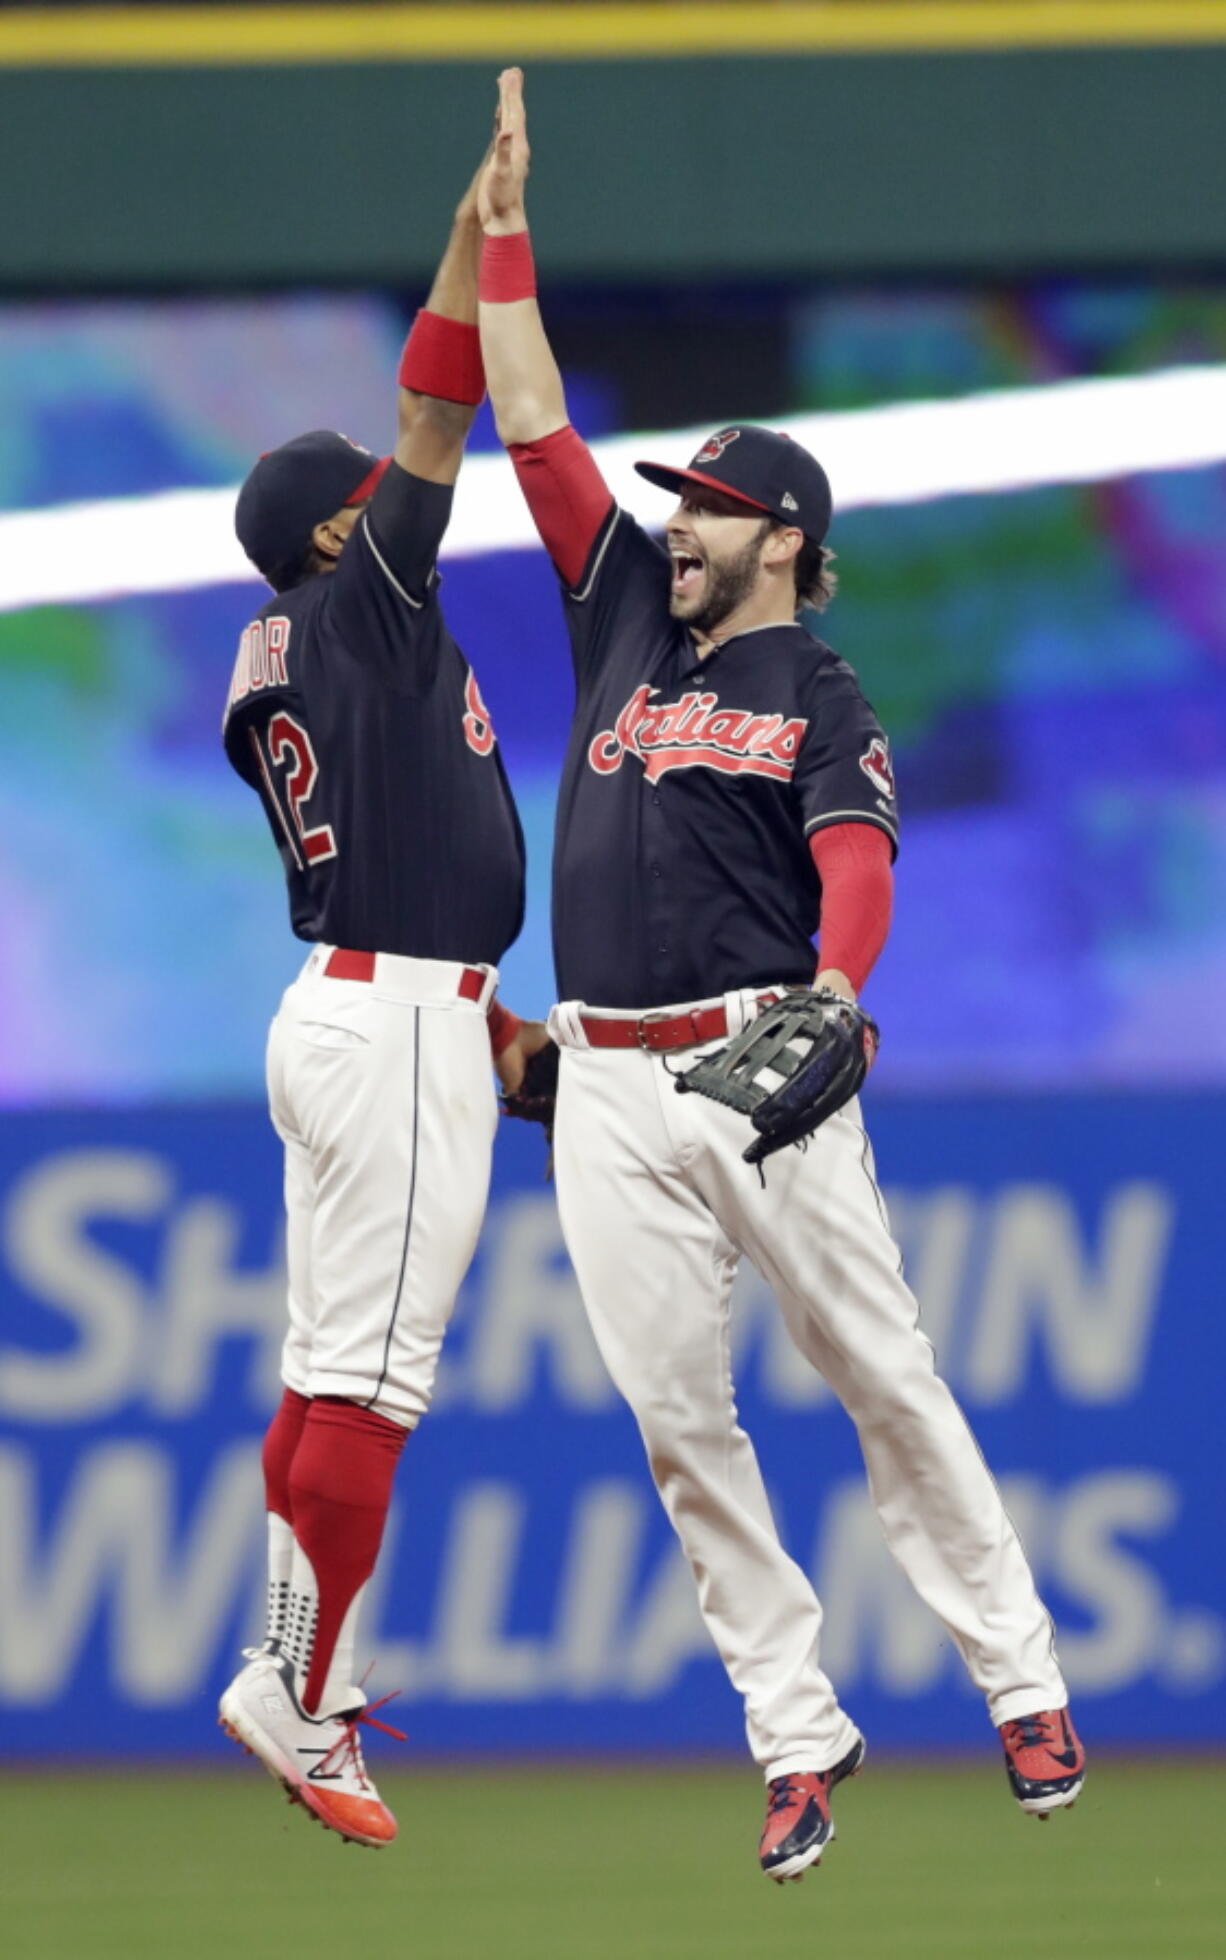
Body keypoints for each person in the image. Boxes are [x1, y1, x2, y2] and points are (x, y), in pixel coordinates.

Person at [475, 69, 1085, 1884]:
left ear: (789, 541)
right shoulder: (619, 618)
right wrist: (501, 235)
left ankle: (1020, 1681)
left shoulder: (813, 691)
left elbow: (855, 857)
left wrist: (833, 990)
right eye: (681, 500)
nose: (682, 521)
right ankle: (792, 1736)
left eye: (716, 507)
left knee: (882, 1376)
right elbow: (527, 422)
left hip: (760, 1058)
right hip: (604, 1076)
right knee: (679, 1422)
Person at [218, 154, 545, 1849]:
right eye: (370, 496)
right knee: (370, 1387)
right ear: (338, 535)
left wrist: (491, 1028)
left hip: (359, 1002)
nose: (405, 492)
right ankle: (304, 1700)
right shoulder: (366, 599)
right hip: (396, 1017)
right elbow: (435, 407)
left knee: (317, 1373)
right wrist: (473, 237)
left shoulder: (289, 643)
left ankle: (295, 1671)